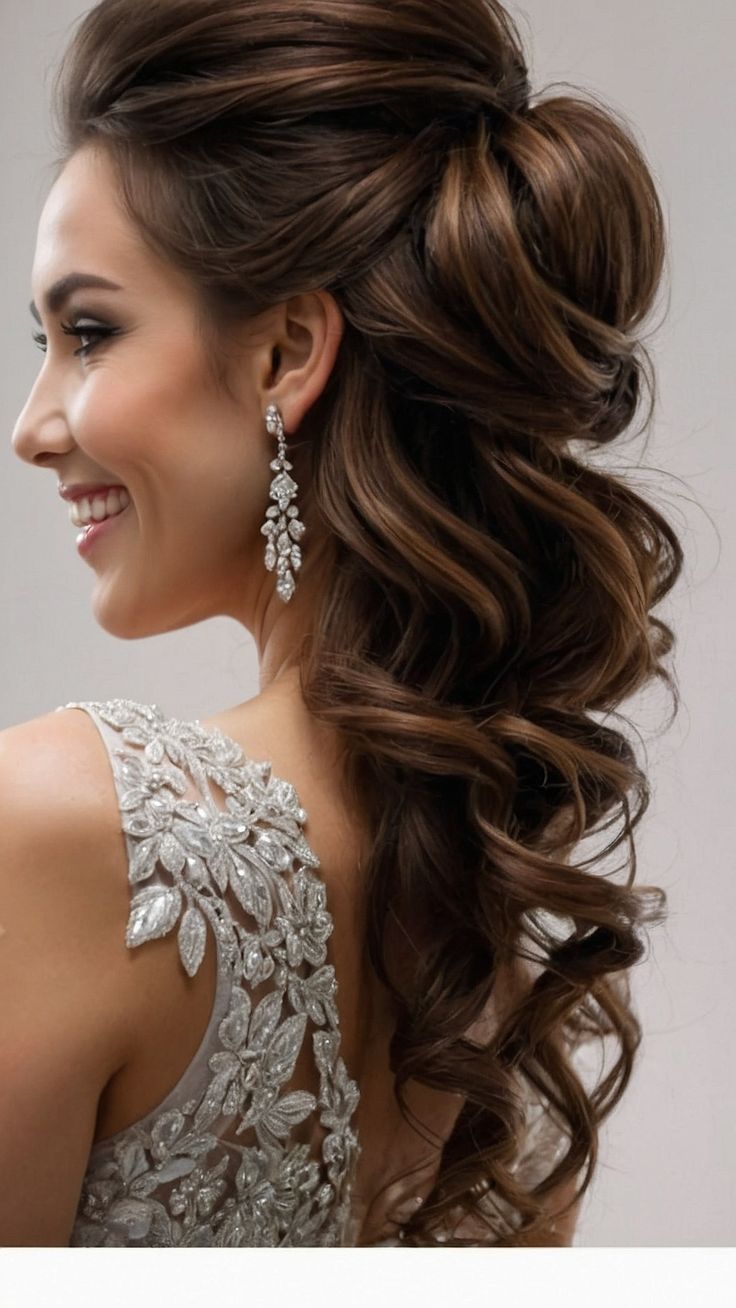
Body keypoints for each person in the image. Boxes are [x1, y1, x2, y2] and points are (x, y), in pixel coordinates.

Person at [2, 0, 683, 1248]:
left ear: (285, 356)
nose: (35, 426)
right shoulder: (488, 939)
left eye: (88, 332)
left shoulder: (52, 824)